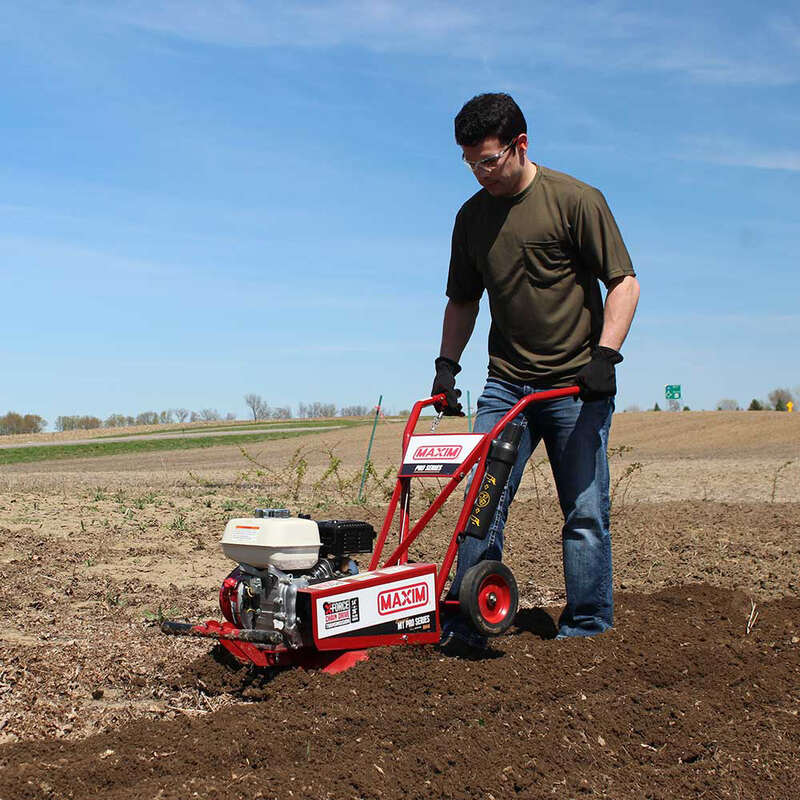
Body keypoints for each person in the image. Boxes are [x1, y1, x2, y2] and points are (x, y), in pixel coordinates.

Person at [432, 93, 640, 652]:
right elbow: (462, 301)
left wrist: (606, 355)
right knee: (482, 503)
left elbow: (624, 282)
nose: (480, 173)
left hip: (576, 383)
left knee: (585, 508)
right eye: (470, 163)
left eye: (489, 161)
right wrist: (446, 368)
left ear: (520, 146)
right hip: (506, 383)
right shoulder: (472, 218)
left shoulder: (575, 200)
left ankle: (588, 627)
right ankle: (467, 620)